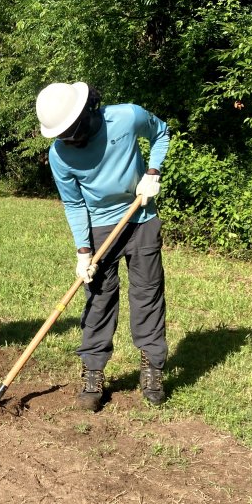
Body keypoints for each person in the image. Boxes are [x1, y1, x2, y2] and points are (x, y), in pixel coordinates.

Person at [35, 82, 170, 410]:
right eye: (61, 136)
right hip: (100, 229)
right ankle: (93, 373)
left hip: (141, 217)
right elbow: (73, 204)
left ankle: (152, 369)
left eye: (71, 132)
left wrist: (152, 172)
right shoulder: (59, 155)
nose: (69, 141)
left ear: (85, 113)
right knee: (98, 300)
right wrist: (83, 251)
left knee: (147, 294)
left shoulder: (126, 117)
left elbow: (161, 133)